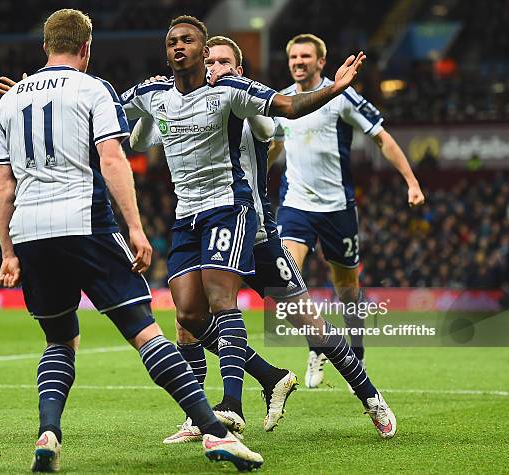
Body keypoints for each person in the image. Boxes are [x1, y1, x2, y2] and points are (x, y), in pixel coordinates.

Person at [0, 9, 263, 472]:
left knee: (59, 342)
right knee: (146, 333)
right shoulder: (94, 87)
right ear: (86, 47)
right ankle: (216, 434)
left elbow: (4, 188)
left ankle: (49, 433)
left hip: (30, 232)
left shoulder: (10, 100)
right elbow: (114, 160)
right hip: (85, 225)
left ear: (44, 47)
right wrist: (135, 227)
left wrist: (8, 252)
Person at [129, 34, 397, 441]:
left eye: (223, 63)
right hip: (211, 226)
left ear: (237, 71)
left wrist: (323, 93)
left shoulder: (243, 105)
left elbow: (273, 122)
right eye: (211, 62)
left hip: (257, 233)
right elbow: (142, 137)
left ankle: (370, 396)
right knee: (189, 321)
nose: (215, 68)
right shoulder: (192, 102)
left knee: (313, 327)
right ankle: (212, 409)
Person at [268, 34, 425, 389]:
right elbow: (276, 144)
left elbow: (381, 137)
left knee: (347, 289)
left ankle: (357, 352)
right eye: (293, 56)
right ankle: (317, 346)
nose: (298, 61)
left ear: (321, 62)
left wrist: (411, 181)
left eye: (306, 56)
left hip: (337, 208)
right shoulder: (281, 100)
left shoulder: (342, 95)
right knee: (286, 277)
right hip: (295, 205)